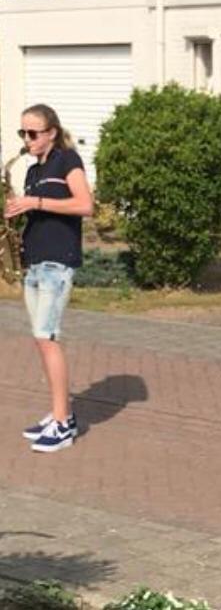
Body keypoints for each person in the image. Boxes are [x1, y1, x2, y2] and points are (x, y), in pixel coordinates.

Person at [4, 104, 94, 453]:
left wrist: (36, 202)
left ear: (51, 132)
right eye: (22, 133)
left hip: (58, 262)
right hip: (36, 263)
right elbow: (37, 211)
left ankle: (62, 424)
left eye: (33, 133)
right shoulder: (33, 170)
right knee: (41, 340)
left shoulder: (67, 160)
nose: (27, 139)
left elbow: (85, 205)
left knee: (48, 337)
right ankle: (60, 414)